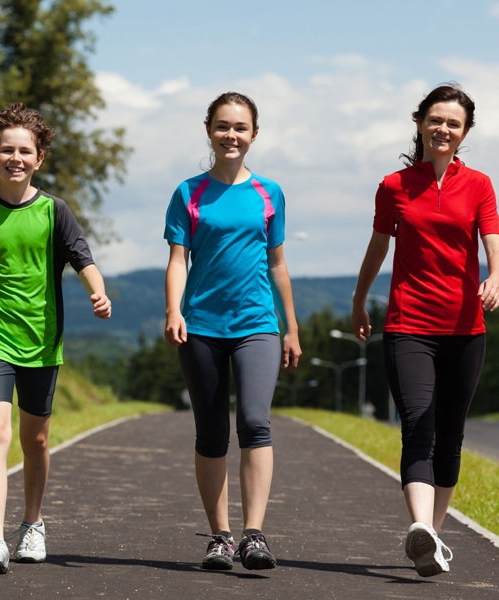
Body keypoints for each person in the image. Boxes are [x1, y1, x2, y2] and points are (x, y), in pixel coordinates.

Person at [350, 83, 499, 577]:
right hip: (408, 324)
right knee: (419, 424)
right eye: (435, 120)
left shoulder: (479, 184)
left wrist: (496, 277)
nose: (443, 129)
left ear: (465, 133)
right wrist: (359, 299)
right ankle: (421, 526)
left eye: (453, 124)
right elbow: (378, 249)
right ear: (420, 123)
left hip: (465, 327)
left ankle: (431, 539)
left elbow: (494, 244)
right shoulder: (394, 186)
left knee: (451, 435)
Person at [0, 103, 112, 575]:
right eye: (6, 150)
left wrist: (98, 293)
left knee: (35, 440)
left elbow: (84, 260)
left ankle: (32, 524)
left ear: (39, 158)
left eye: (25, 151)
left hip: (41, 340)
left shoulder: (54, 211)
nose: (15, 158)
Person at [164, 92, 302, 571]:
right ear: (209, 131)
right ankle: (220, 536)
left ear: (254, 135)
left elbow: (278, 263)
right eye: (223, 126)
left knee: (254, 422)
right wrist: (173, 310)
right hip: (200, 325)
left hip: (257, 325)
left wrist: (290, 327)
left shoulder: (270, 193)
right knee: (211, 432)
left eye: (240, 128)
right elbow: (178, 259)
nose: (231, 135)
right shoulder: (188, 193)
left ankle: (254, 535)